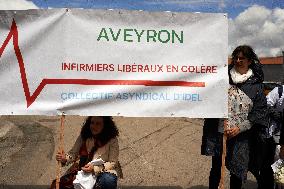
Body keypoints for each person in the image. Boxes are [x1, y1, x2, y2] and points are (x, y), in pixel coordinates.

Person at [201, 45, 269, 189]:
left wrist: (240, 128)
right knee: (216, 170)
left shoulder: (256, 86)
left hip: (241, 136)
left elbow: (259, 112)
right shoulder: (222, 80)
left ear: (249, 61)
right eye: (236, 57)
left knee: (237, 171)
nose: (238, 60)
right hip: (220, 132)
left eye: (242, 58)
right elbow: (210, 100)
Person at [51, 116, 122, 189]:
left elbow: (113, 162)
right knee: (61, 184)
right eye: (92, 123)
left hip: (104, 170)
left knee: (108, 180)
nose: (94, 126)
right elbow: (73, 154)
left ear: (105, 125)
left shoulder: (112, 139)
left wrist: (94, 168)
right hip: (84, 167)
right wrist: (64, 158)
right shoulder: (84, 136)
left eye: (98, 124)